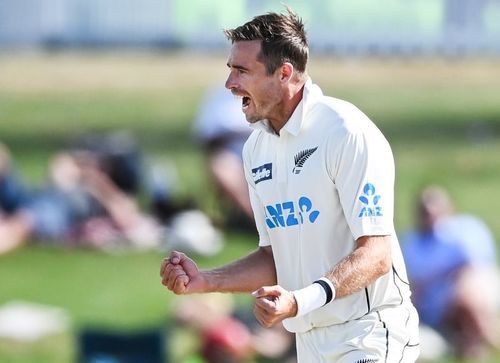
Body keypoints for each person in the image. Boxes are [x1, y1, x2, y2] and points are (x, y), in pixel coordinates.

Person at [161, 9, 419, 362]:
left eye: (242, 71)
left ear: (284, 74)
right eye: (230, 70)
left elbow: (376, 254)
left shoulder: (346, 132)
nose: (230, 84)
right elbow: (274, 258)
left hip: (369, 332)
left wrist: (300, 301)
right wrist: (206, 280)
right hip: (309, 342)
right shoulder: (255, 149)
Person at [402, 185, 500, 358]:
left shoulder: (467, 229)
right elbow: (414, 284)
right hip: (433, 301)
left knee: (466, 293)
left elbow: (476, 267)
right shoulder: (411, 243)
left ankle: (479, 340)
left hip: (472, 292)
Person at [193, 85, 254, 230]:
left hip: (267, 153)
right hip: (232, 157)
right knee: (221, 167)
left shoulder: (269, 93)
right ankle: (257, 222)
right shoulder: (218, 96)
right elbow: (205, 137)